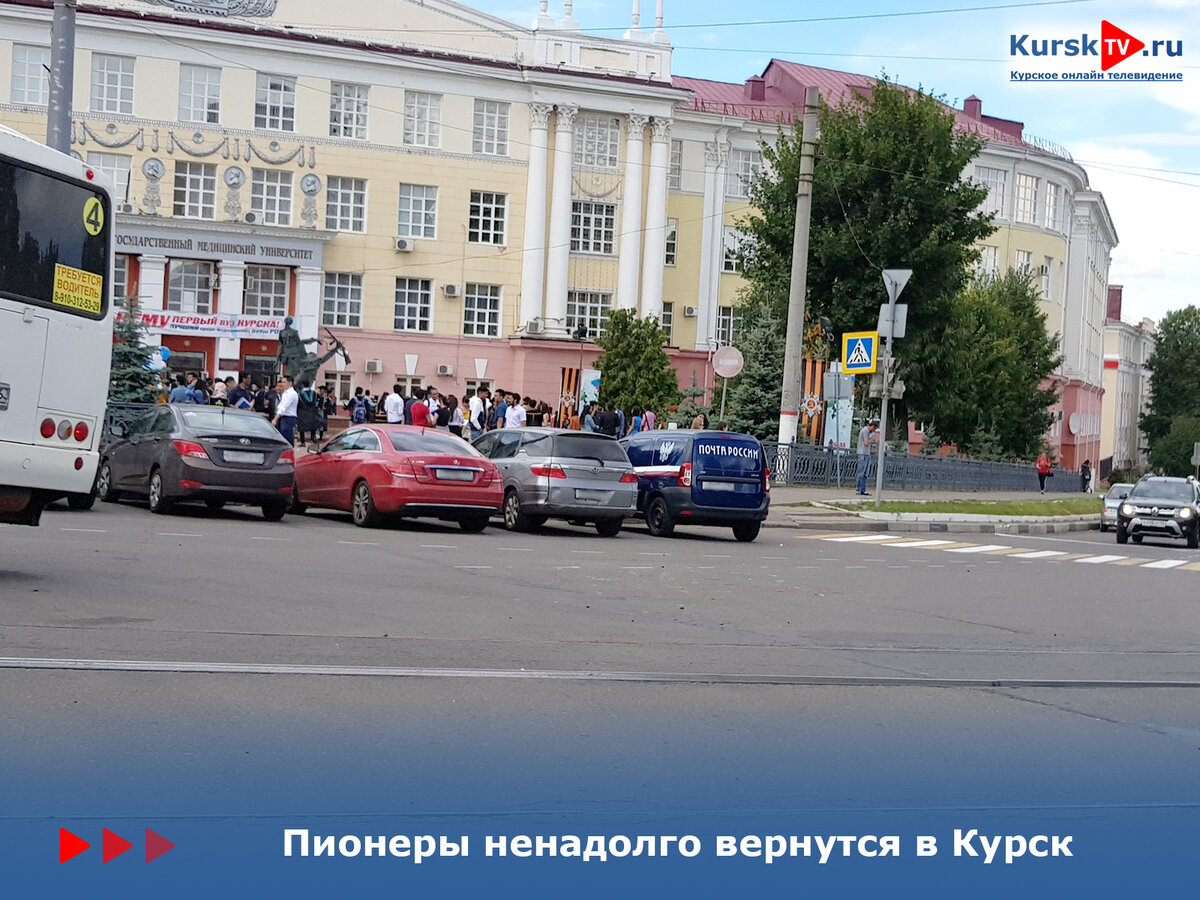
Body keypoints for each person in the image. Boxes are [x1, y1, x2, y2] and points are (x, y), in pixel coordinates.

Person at [272, 375, 298, 445]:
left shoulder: (291, 394)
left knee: (286, 438)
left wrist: (275, 419)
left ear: (290, 383)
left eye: (284, 382)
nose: (283, 384)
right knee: (282, 437)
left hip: (288, 418)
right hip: (284, 418)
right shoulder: (285, 393)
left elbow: (283, 407)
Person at [856, 419, 879, 496]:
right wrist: (872, 439)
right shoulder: (865, 431)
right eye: (874, 428)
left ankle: (863, 489)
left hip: (867, 454)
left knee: (865, 473)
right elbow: (866, 443)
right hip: (862, 454)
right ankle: (858, 489)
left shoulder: (868, 432)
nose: (874, 431)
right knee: (861, 472)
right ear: (872, 426)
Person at [295, 379, 320, 446]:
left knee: (302, 427)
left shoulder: (300, 394)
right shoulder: (314, 393)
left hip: (303, 412)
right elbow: (317, 403)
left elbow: (298, 404)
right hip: (312, 412)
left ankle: (303, 442)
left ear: (303, 385)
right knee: (312, 425)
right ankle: (313, 438)